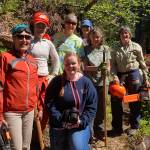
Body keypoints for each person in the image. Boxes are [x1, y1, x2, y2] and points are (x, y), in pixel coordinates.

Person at [45, 52, 98, 150]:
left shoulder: (86, 82)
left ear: (79, 64)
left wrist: (81, 121)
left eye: (73, 63)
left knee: (76, 146)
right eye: (67, 64)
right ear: (63, 66)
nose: (70, 66)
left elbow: (92, 106)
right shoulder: (56, 82)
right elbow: (50, 104)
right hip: (60, 124)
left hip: (80, 124)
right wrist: (61, 120)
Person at [0, 24, 38, 150]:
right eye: (20, 37)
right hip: (12, 112)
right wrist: (0, 115)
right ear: (14, 39)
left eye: (27, 37)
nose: (24, 40)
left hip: (29, 111)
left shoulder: (32, 61)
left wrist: (37, 107)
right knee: (16, 147)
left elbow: (36, 86)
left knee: (26, 147)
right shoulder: (6, 58)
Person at [110, 25, 149, 136]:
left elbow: (142, 63)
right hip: (119, 76)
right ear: (120, 36)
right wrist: (114, 76)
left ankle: (134, 126)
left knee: (134, 101)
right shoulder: (115, 48)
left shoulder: (137, 47)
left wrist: (146, 78)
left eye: (126, 33)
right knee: (116, 101)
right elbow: (112, 65)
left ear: (130, 35)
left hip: (134, 75)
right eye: (122, 33)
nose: (124, 35)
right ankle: (117, 128)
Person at [30, 11, 60, 131]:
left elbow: (56, 60)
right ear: (34, 26)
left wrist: (53, 74)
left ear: (46, 28)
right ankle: (30, 135)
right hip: (31, 79)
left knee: (44, 106)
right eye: (38, 25)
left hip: (44, 79)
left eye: (43, 26)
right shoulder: (28, 41)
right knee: (31, 106)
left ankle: (39, 134)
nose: (40, 28)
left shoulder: (48, 44)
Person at [83, 27, 111, 138]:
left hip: (103, 81)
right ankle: (89, 132)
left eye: (98, 37)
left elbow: (108, 65)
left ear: (101, 38)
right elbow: (84, 67)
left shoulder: (105, 49)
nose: (96, 39)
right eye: (94, 37)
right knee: (90, 106)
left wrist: (106, 70)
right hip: (90, 82)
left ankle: (99, 130)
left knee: (102, 107)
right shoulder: (86, 49)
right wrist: (97, 68)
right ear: (90, 37)